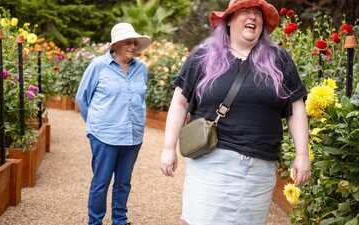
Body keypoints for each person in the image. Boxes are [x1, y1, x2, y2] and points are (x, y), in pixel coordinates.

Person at [160, 0, 311, 224]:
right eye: (245, 12)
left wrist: (302, 154)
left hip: (259, 171)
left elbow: (295, 108)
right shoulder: (202, 57)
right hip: (211, 165)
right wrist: (168, 148)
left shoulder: (279, 60)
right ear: (229, 20)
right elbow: (180, 103)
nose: (253, 17)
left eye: (258, 14)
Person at [76, 22, 150, 225]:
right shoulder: (98, 65)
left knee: (124, 183)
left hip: (133, 136)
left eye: (135, 43)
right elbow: (82, 98)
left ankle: (119, 220)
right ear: (116, 45)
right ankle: (95, 222)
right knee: (101, 182)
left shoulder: (141, 69)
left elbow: (140, 99)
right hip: (103, 136)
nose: (133, 47)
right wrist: (94, 127)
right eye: (128, 42)